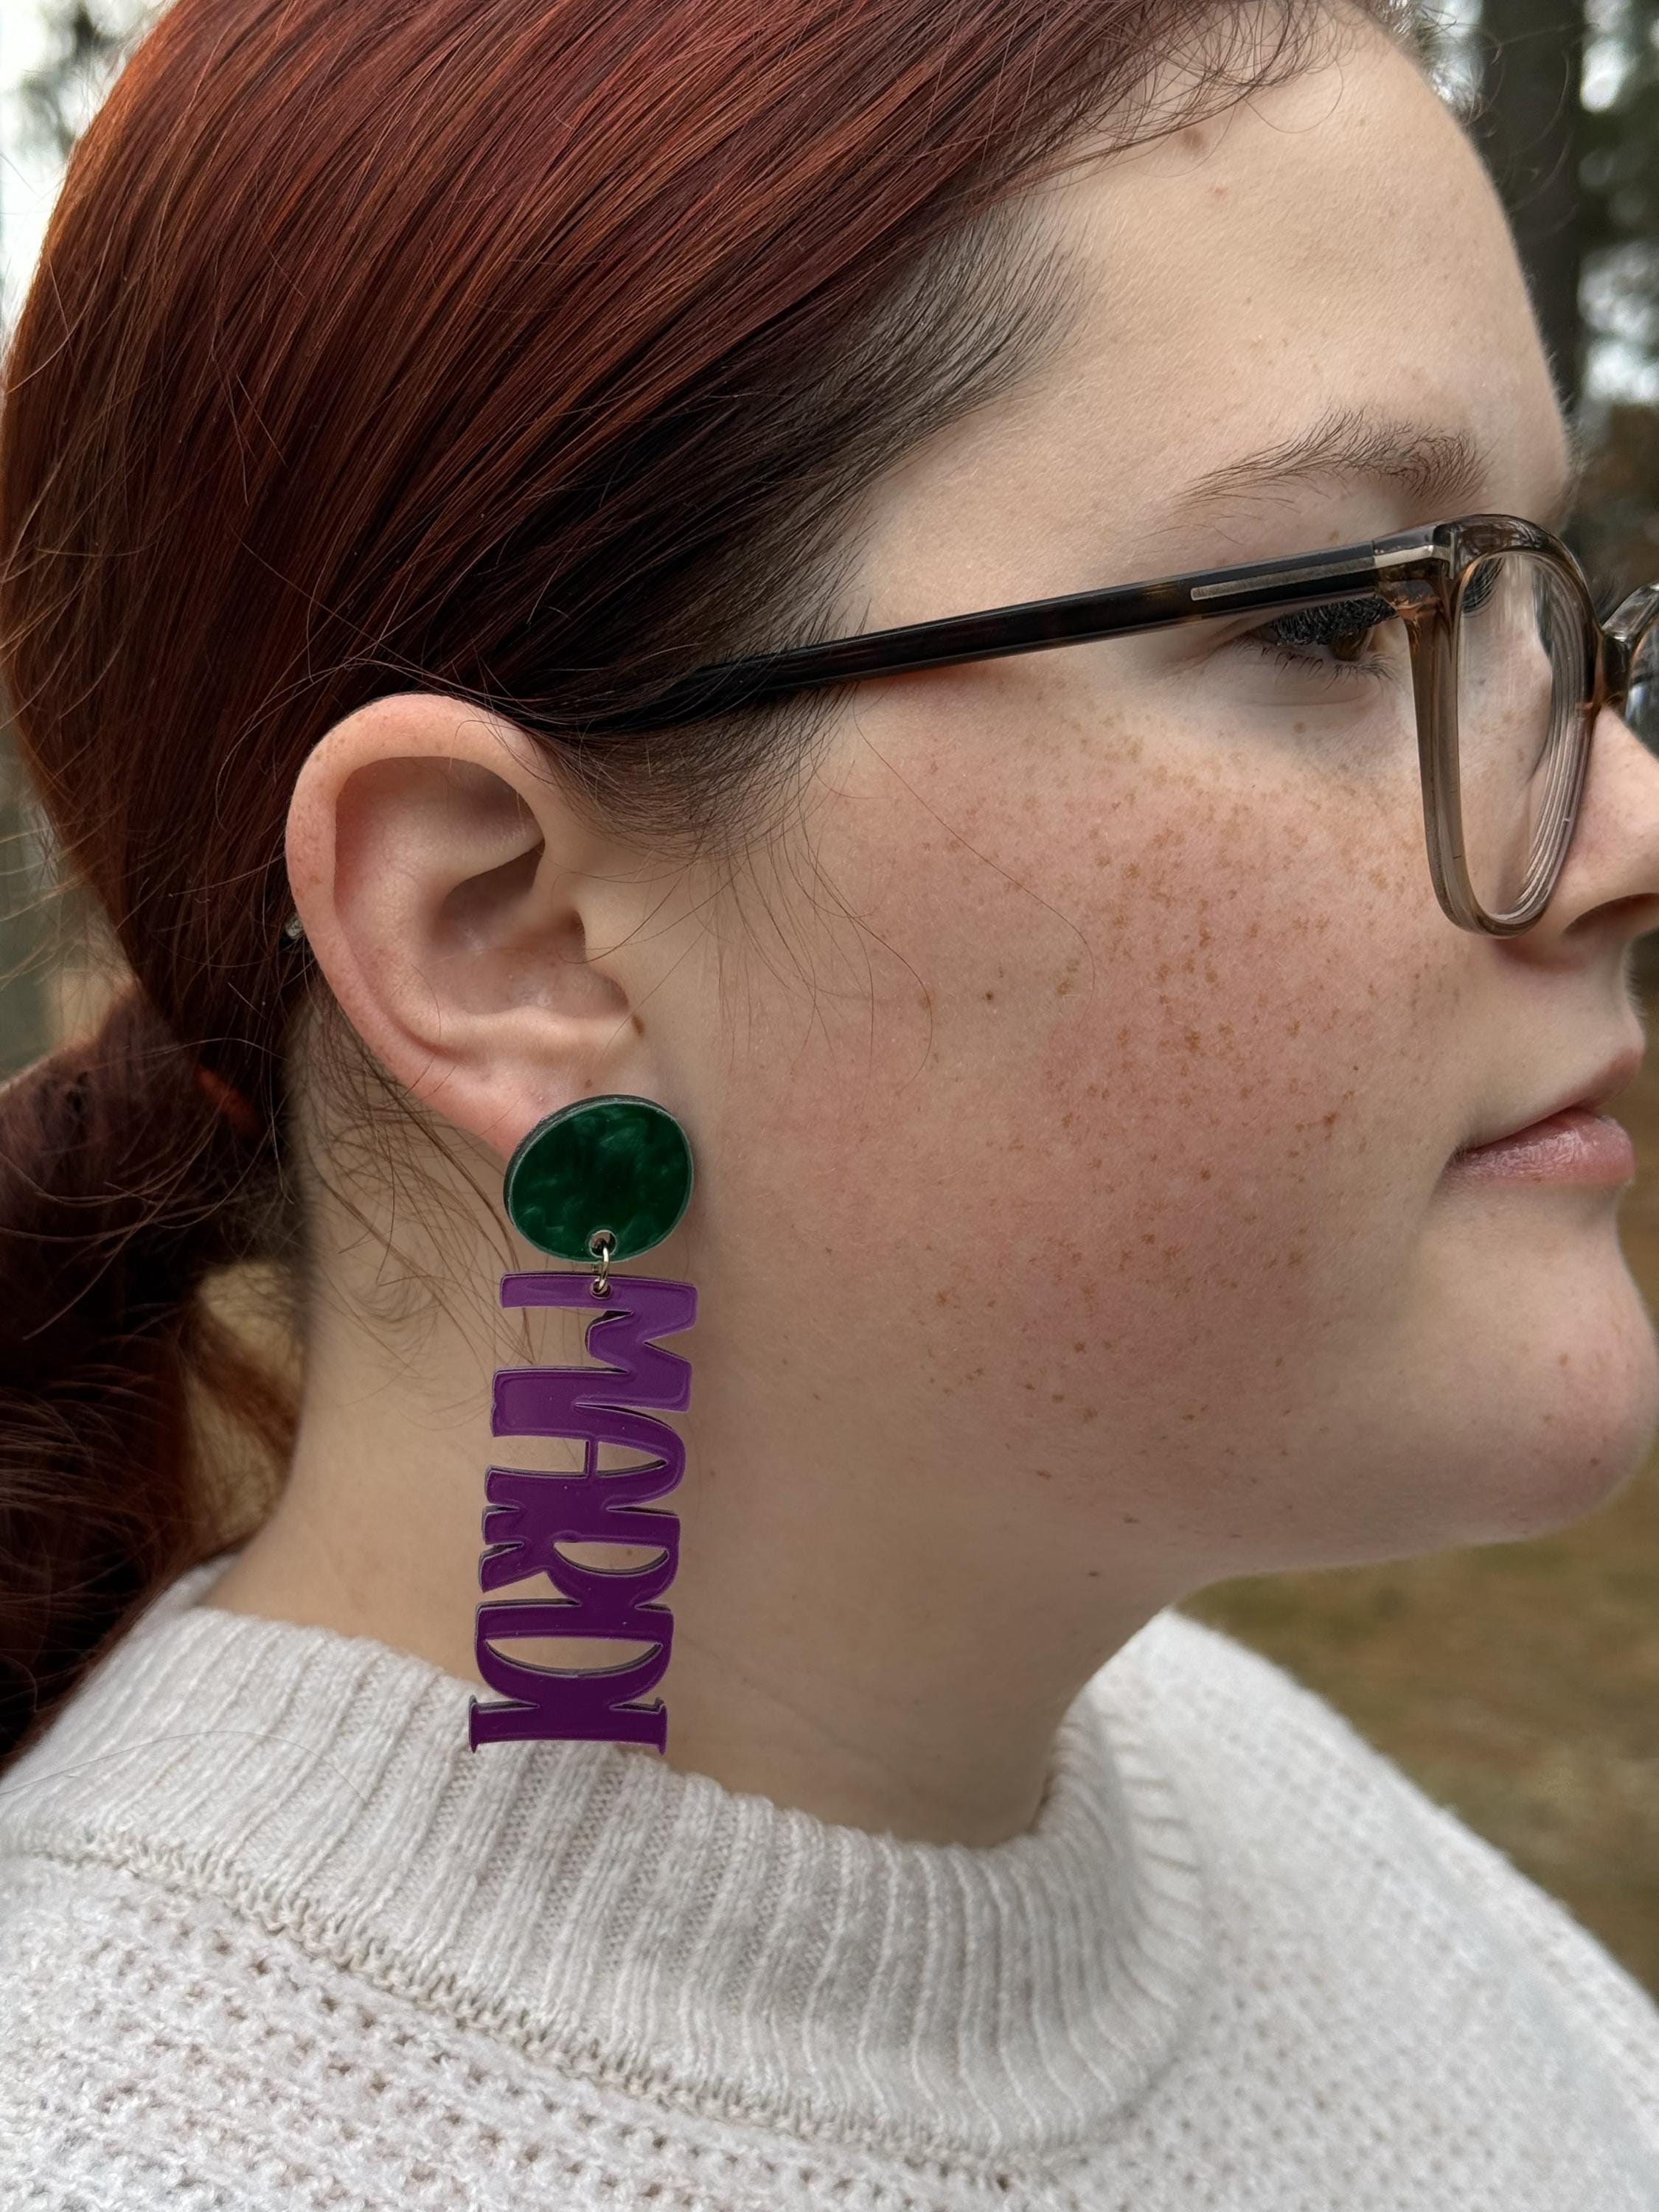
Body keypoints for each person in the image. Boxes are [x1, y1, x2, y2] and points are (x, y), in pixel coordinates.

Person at [2, 0, 1658, 2202]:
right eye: (1345, 626)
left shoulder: (1250, 1798)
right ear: (515, 937)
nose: (1625, 825)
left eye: (1551, 619)